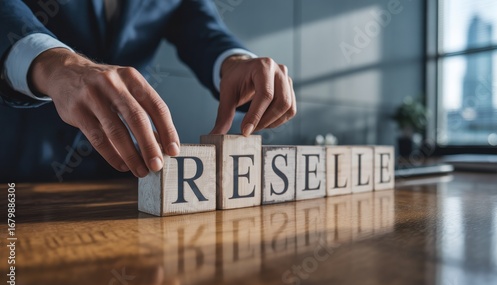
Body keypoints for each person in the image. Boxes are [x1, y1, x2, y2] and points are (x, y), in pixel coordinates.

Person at [0, 0, 296, 182]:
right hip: (15, 175)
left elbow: (203, 28)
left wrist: (235, 62)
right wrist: (53, 64)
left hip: (127, 176)